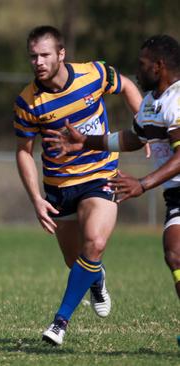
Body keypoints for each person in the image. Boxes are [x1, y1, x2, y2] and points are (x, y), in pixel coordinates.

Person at [43, 34, 180, 344]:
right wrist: (86, 141)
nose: (137, 70)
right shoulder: (151, 102)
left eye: (143, 65)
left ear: (159, 66)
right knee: (174, 255)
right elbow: (133, 139)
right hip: (177, 196)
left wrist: (142, 184)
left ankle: (60, 321)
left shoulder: (177, 100)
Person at [13, 25, 142, 346]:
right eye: (32, 56)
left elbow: (126, 85)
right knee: (77, 262)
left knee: (95, 243)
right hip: (59, 188)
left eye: (44, 55)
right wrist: (36, 200)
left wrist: (144, 125)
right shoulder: (28, 102)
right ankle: (96, 279)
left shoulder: (93, 74)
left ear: (61, 54)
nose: (38, 62)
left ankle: (59, 322)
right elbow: (24, 153)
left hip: (100, 175)